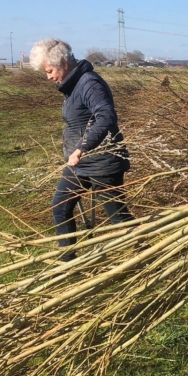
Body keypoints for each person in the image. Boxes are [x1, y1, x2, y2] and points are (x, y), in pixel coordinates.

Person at [29, 39, 133, 261]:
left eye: (49, 70)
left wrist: (82, 147)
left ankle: (144, 255)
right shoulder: (73, 85)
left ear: (63, 63)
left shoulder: (88, 83)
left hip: (102, 162)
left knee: (119, 218)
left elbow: (106, 116)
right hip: (80, 164)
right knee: (60, 207)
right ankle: (67, 262)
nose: (48, 77)